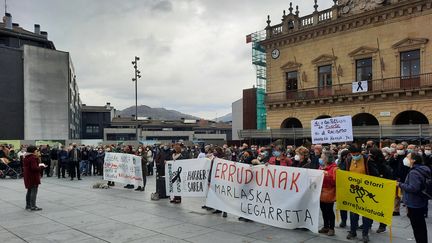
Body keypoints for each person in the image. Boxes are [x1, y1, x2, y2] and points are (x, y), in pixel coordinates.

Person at [346, 145, 379, 243]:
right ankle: (353, 231)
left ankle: (365, 233)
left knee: (366, 213)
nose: (355, 156)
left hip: (366, 191)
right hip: (353, 191)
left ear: (360, 153)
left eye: (357, 154)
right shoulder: (348, 160)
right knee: (353, 213)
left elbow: (375, 175)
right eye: (353, 154)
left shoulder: (367, 160)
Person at [398, 152, 430, 243]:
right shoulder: (423, 168)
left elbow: (413, 188)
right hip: (420, 201)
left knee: (417, 227)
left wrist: (400, 184)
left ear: (414, 160)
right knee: (421, 226)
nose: (406, 159)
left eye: (408, 157)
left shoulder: (414, 172)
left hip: (414, 202)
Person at [318, 150, 337, 236]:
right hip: (320, 192)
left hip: (329, 192)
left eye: (322, 157)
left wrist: (327, 175)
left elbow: (335, 182)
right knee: (323, 210)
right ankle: (326, 226)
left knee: (329, 211)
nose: (321, 159)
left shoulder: (334, 168)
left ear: (326, 158)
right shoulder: (321, 167)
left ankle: (331, 228)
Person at [23, 145, 44, 211]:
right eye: (36, 150)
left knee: (29, 191)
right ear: (33, 150)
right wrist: (41, 167)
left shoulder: (25, 156)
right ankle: (33, 206)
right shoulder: (33, 157)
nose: (37, 151)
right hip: (33, 176)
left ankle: (28, 205)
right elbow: (34, 168)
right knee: (34, 191)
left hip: (27, 176)